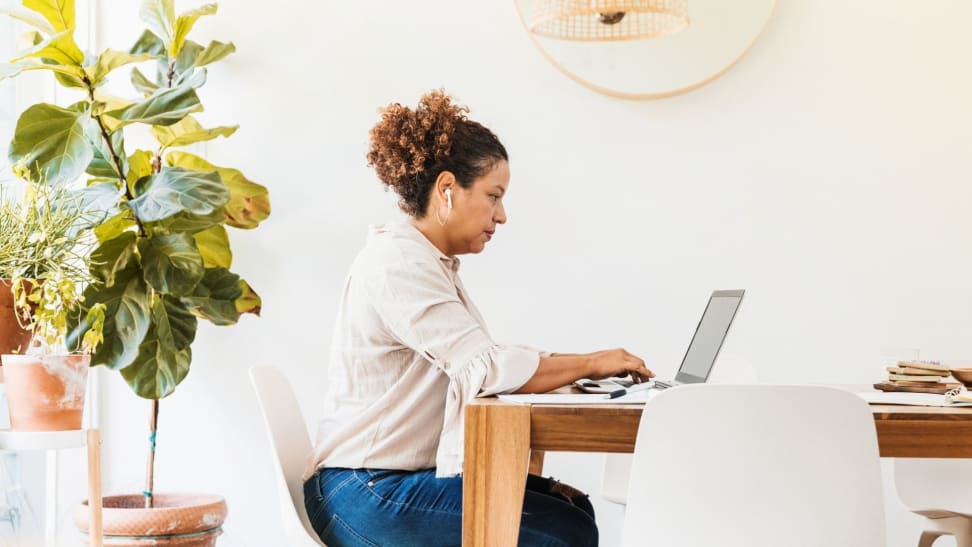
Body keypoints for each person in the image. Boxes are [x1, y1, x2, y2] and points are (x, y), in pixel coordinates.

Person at [303, 89, 653, 547]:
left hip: (386, 483)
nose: (501, 216)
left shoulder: (426, 261)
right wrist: (589, 363)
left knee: (571, 508)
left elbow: (483, 360)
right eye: (493, 196)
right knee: (562, 532)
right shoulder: (398, 263)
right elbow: (486, 368)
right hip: (365, 493)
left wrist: (585, 364)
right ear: (447, 189)